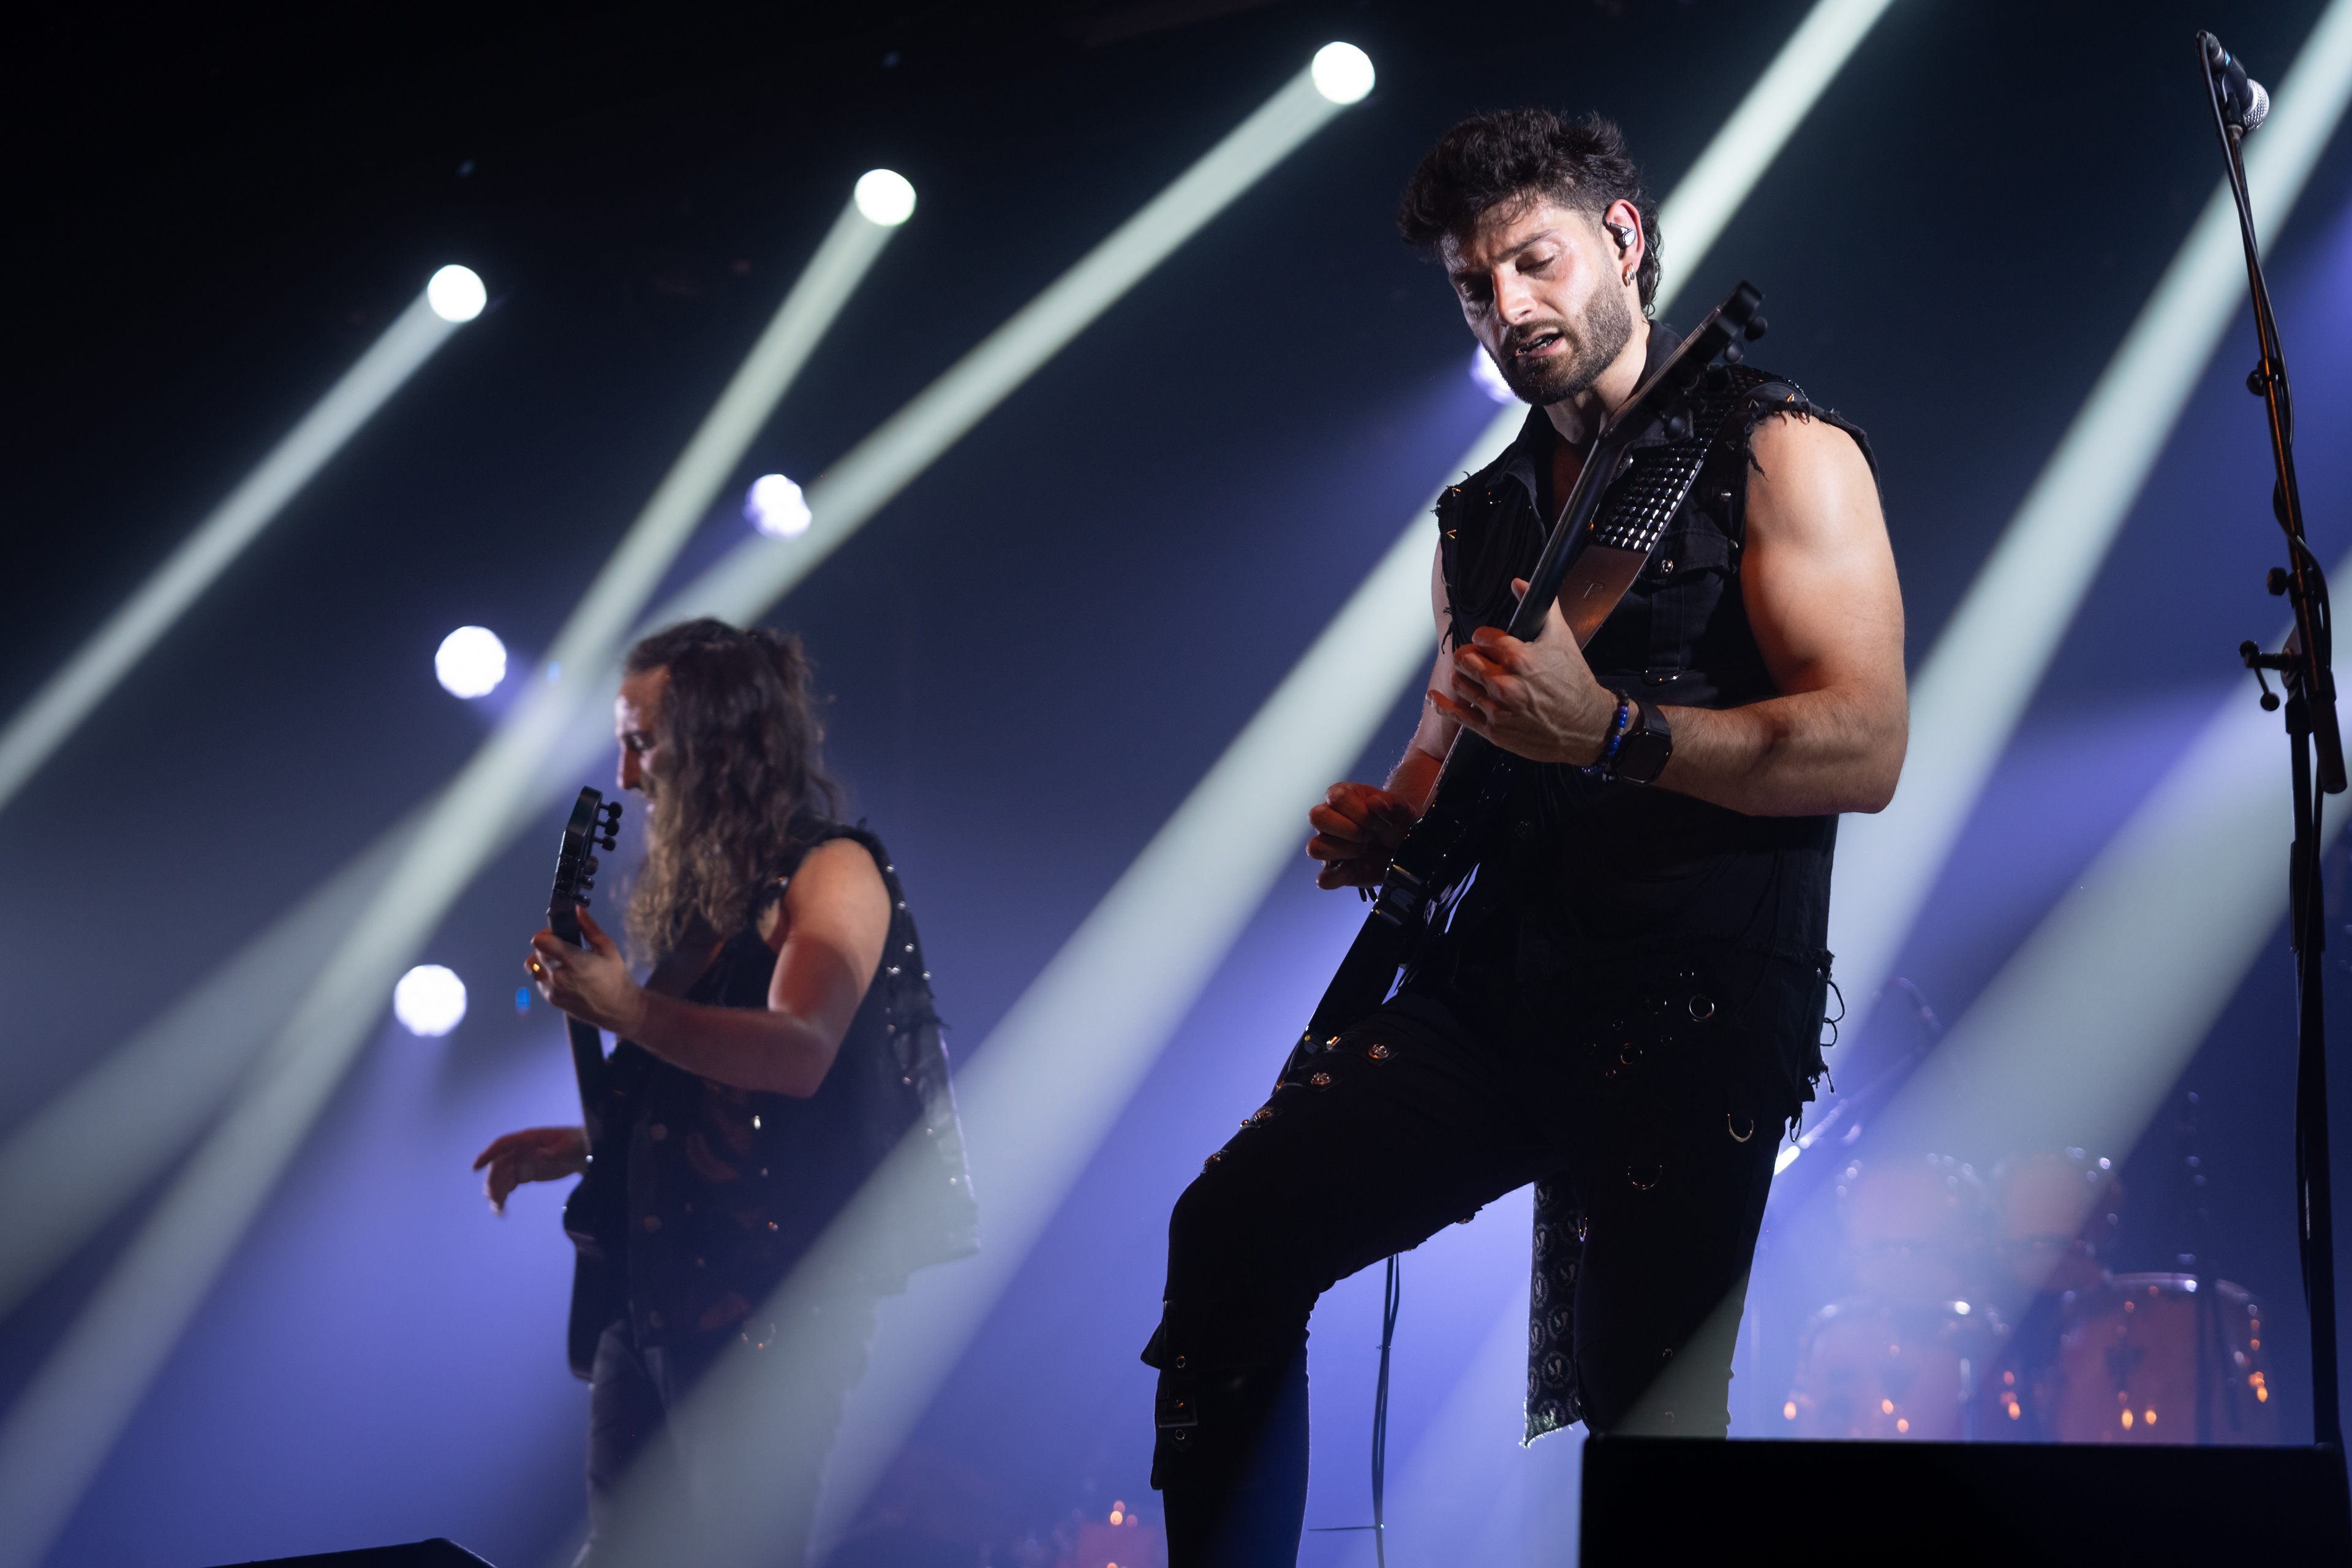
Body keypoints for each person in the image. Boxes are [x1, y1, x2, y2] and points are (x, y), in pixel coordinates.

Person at [1144, 110, 1906, 1562]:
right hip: (1501, 992)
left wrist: (1613, 730)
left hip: (1693, 1006)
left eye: (1535, 262)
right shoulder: (1483, 514)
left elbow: (1865, 746)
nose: (1508, 306)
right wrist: (1393, 819)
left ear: (1622, 237)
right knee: (1233, 1228)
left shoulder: (1781, 451)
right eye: (1473, 285)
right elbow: (1449, 744)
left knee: (1649, 1411)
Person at [474, 618, 975, 1567]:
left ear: (718, 741)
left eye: (642, 742)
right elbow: (721, 1089)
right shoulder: (715, 909)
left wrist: (628, 1011)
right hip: (652, 1294)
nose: (627, 775)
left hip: (770, 1302)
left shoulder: (834, 870)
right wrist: (590, 1143)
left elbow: (801, 1053)